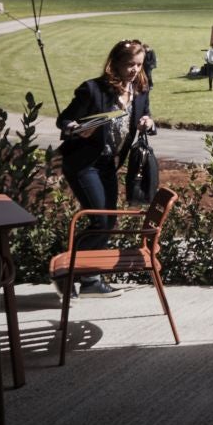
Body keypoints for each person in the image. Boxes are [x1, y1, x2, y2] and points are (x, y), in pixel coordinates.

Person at [56, 39, 156, 298]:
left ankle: (80, 276)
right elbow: (64, 120)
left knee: (108, 222)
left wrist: (148, 122)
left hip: (109, 164)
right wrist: (75, 129)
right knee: (100, 219)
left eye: (139, 65)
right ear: (116, 64)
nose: (134, 70)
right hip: (83, 162)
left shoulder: (140, 91)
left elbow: (147, 118)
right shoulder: (93, 90)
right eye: (129, 65)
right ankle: (76, 272)